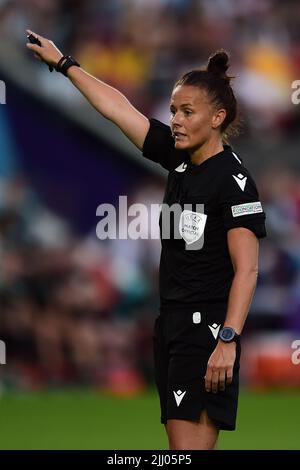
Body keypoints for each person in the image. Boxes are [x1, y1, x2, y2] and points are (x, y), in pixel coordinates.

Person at [26, 30, 267, 450]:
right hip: (171, 323)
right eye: (173, 110)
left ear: (217, 118)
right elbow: (118, 109)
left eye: (187, 112)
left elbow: (248, 268)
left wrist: (227, 340)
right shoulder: (179, 158)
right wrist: (65, 65)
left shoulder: (232, 181)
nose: (175, 119)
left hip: (205, 330)